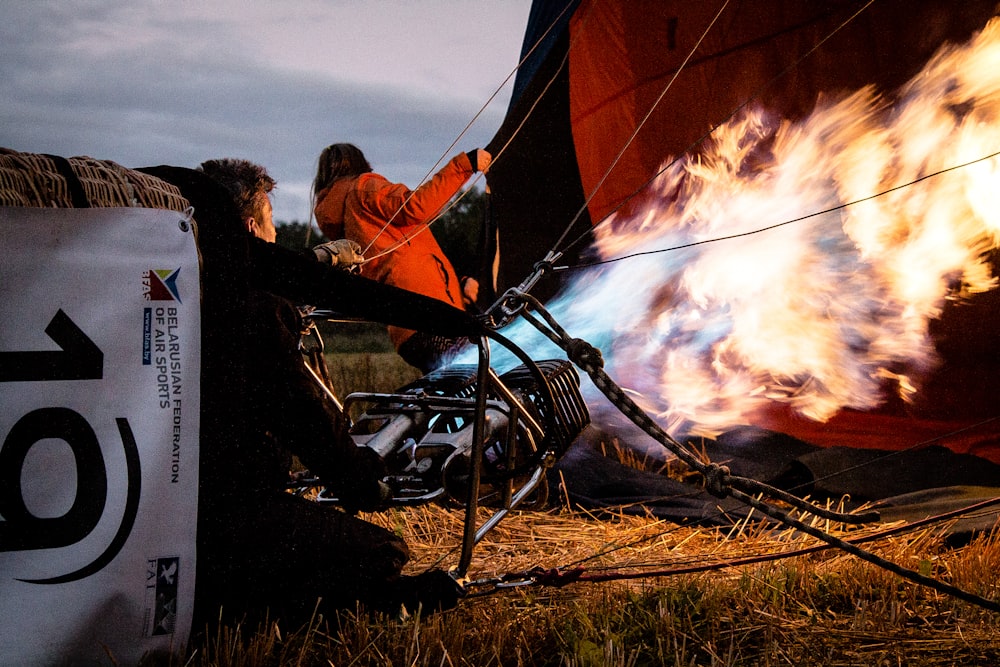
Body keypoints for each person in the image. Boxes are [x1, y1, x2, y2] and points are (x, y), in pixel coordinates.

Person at [189, 158, 463, 627]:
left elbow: (258, 270)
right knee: (381, 551)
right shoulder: (252, 309)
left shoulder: (189, 284)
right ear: (253, 229)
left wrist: (318, 262)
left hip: (178, 509)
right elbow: (302, 416)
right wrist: (361, 481)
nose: (277, 241)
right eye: (273, 228)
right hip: (231, 515)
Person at [311, 143, 490, 372]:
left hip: (407, 331)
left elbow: (398, 266)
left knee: (459, 397)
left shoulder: (349, 223)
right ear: (359, 163)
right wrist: (464, 165)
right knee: (488, 382)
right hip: (432, 319)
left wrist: (458, 286)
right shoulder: (364, 187)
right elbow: (414, 206)